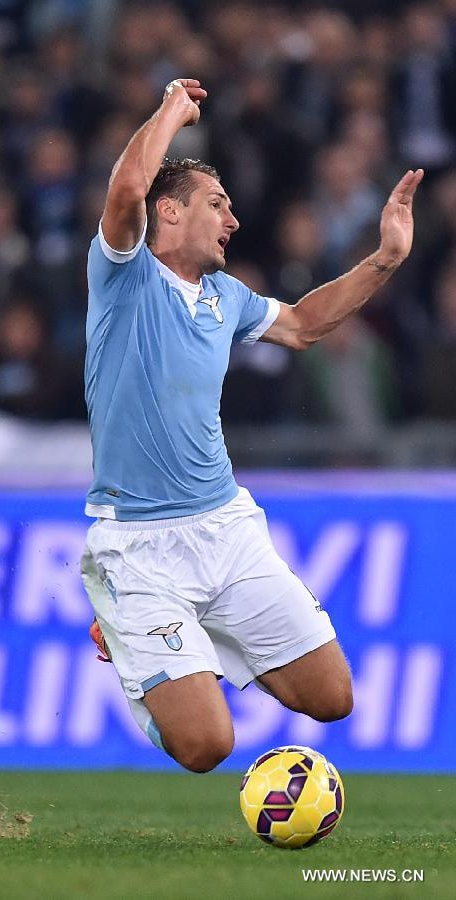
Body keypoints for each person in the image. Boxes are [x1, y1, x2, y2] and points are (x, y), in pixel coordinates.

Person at [80, 78, 422, 774]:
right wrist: (172, 110)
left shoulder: (225, 298)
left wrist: (383, 258)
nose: (232, 219)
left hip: (227, 531)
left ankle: (193, 641)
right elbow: (123, 196)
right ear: (168, 214)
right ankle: (137, 640)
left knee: (331, 698)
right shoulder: (124, 275)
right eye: (217, 204)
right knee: (207, 748)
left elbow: (301, 326)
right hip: (139, 545)